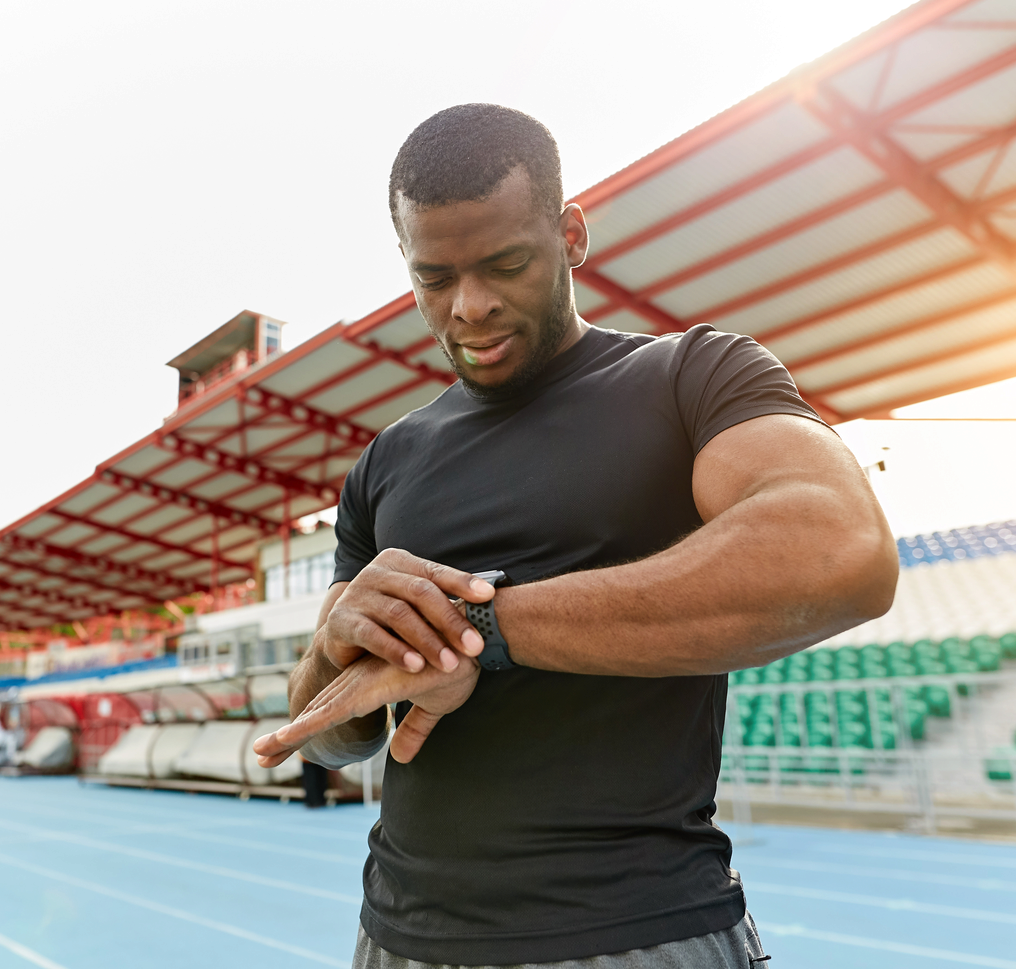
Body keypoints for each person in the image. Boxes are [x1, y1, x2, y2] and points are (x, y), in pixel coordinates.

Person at [254, 104, 898, 968]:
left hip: (637, 936)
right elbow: (333, 735)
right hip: (395, 939)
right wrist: (340, 649)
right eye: (434, 279)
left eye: (506, 264)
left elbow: (842, 552)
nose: (470, 307)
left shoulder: (692, 377)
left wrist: (482, 630)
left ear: (571, 235)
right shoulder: (387, 461)